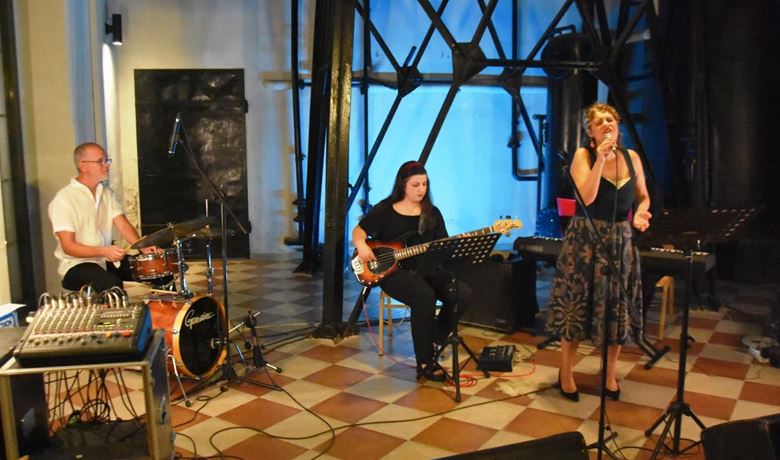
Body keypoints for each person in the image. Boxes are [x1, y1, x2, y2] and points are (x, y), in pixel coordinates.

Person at [545, 102, 652, 402]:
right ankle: (566, 373)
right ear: (590, 131)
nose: (607, 124)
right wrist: (601, 161)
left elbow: (643, 197)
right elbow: (586, 198)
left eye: (610, 119)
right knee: (577, 305)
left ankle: (609, 373)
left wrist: (641, 213)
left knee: (616, 308)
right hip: (586, 240)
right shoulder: (584, 156)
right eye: (599, 121)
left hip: (620, 239)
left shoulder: (632, 157)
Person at [352, 160, 470, 382]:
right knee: (424, 295)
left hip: (427, 268)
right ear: (403, 185)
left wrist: (456, 244)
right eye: (416, 185)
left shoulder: (432, 213)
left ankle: (434, 339)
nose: (421, 189)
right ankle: (424, 363)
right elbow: (359, 230)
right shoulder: (385, 210)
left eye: (424, 184)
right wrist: (361, 245)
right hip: (394, 273)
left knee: (461, 293)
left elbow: (442, 247)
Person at [48, 142, 159, 292]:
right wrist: (104, 251)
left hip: (105, 259)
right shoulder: (64, 199)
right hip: (76, 264)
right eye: (101, 161)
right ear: (83, 165)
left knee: (155, 269)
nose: (107, 165)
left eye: (107, 160)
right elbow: (69, 247)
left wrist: (142, 247)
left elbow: (123, 225)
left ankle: (162, 306)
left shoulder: (107, 193)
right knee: (111, 285)